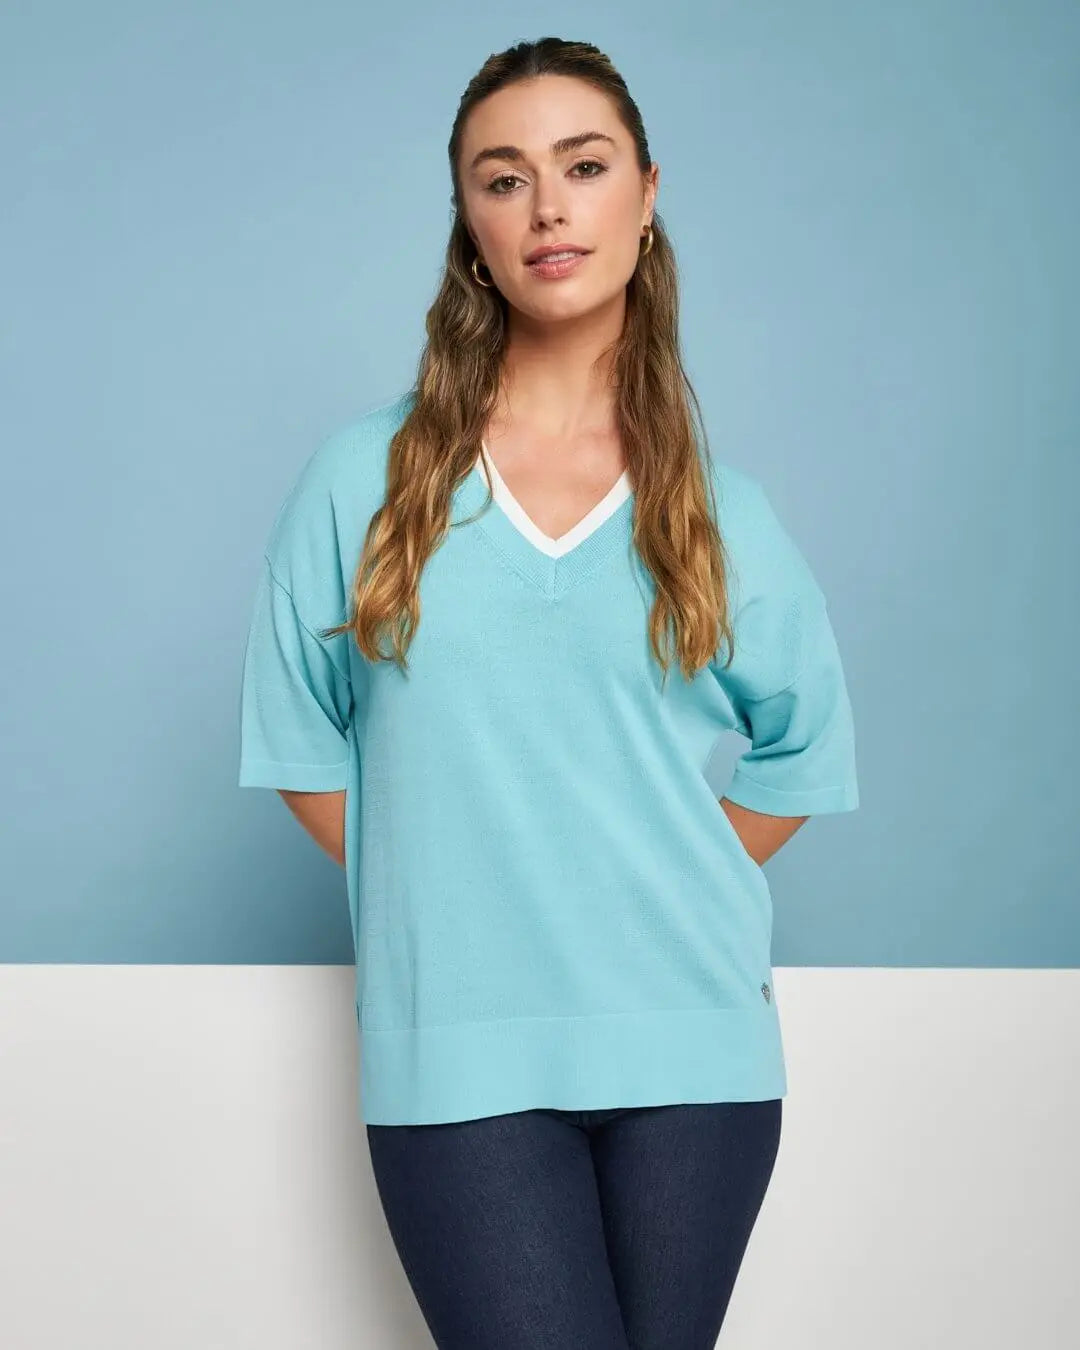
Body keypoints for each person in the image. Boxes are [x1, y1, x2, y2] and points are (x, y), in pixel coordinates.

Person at [238, 35, 859, 1350]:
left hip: (695, 1049)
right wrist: (462, 878)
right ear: (469, 223)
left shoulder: (718, 510)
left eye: (583, 166)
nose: (547, 209)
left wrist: (641, 872)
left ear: (646, 193)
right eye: (503, 178)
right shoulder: (364, 480)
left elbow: (806, 750)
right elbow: (298, 740)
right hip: (456, 1048)